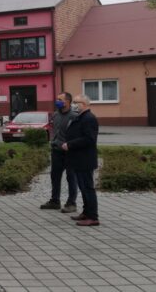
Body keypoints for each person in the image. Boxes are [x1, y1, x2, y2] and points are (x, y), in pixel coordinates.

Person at [62, 94, 100, 226]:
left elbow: (89, 139)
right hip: (78, 159)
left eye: (76, 102)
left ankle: (93, 217)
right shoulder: (81, 117)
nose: (74, 105)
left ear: (84, 104)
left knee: (88, 188)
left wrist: (70, 144)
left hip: (85, 160)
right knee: (83, 188)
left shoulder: (89, 118)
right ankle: (86, 212)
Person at [41, 92, 79, 213]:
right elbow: (54, 131)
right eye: (57, 99)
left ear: (67, 102)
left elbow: (78, 135)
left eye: (60, 99)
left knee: (71, 177)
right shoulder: (55, 115)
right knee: (55, 176)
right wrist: (53, 142)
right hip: (56, 151)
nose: (57, 101)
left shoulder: (74, 116)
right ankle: (55, 201)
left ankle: (71, 203)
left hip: (70, 152)